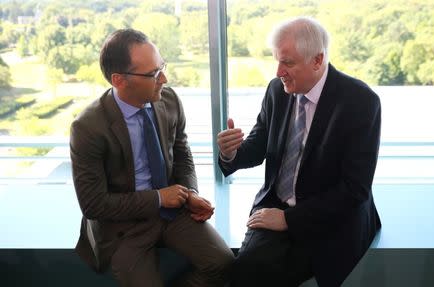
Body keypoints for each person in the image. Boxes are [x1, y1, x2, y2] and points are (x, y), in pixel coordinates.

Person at [217, 17, 381, 287]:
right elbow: (258, 147)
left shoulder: (361, 102)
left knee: (273, 274)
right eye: (277, 60)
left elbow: (355, 189)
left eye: (288, 63)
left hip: (330, 214)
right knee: (244, 271)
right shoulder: (277, 90)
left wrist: (289, 219)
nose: (279, 71)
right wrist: (231, 153)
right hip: (276, 205)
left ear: (317, 60)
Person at [70, 28, 234, 287]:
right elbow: (93, 205)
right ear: (119, 80)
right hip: (124, 227)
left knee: (222, 263)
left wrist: (189, 193)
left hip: (172, 212)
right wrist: (159, 197)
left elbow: (182, 154)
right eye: (153, 73)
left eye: (162, 67)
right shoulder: (88, 127)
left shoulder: (168, 100)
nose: (164, 79)